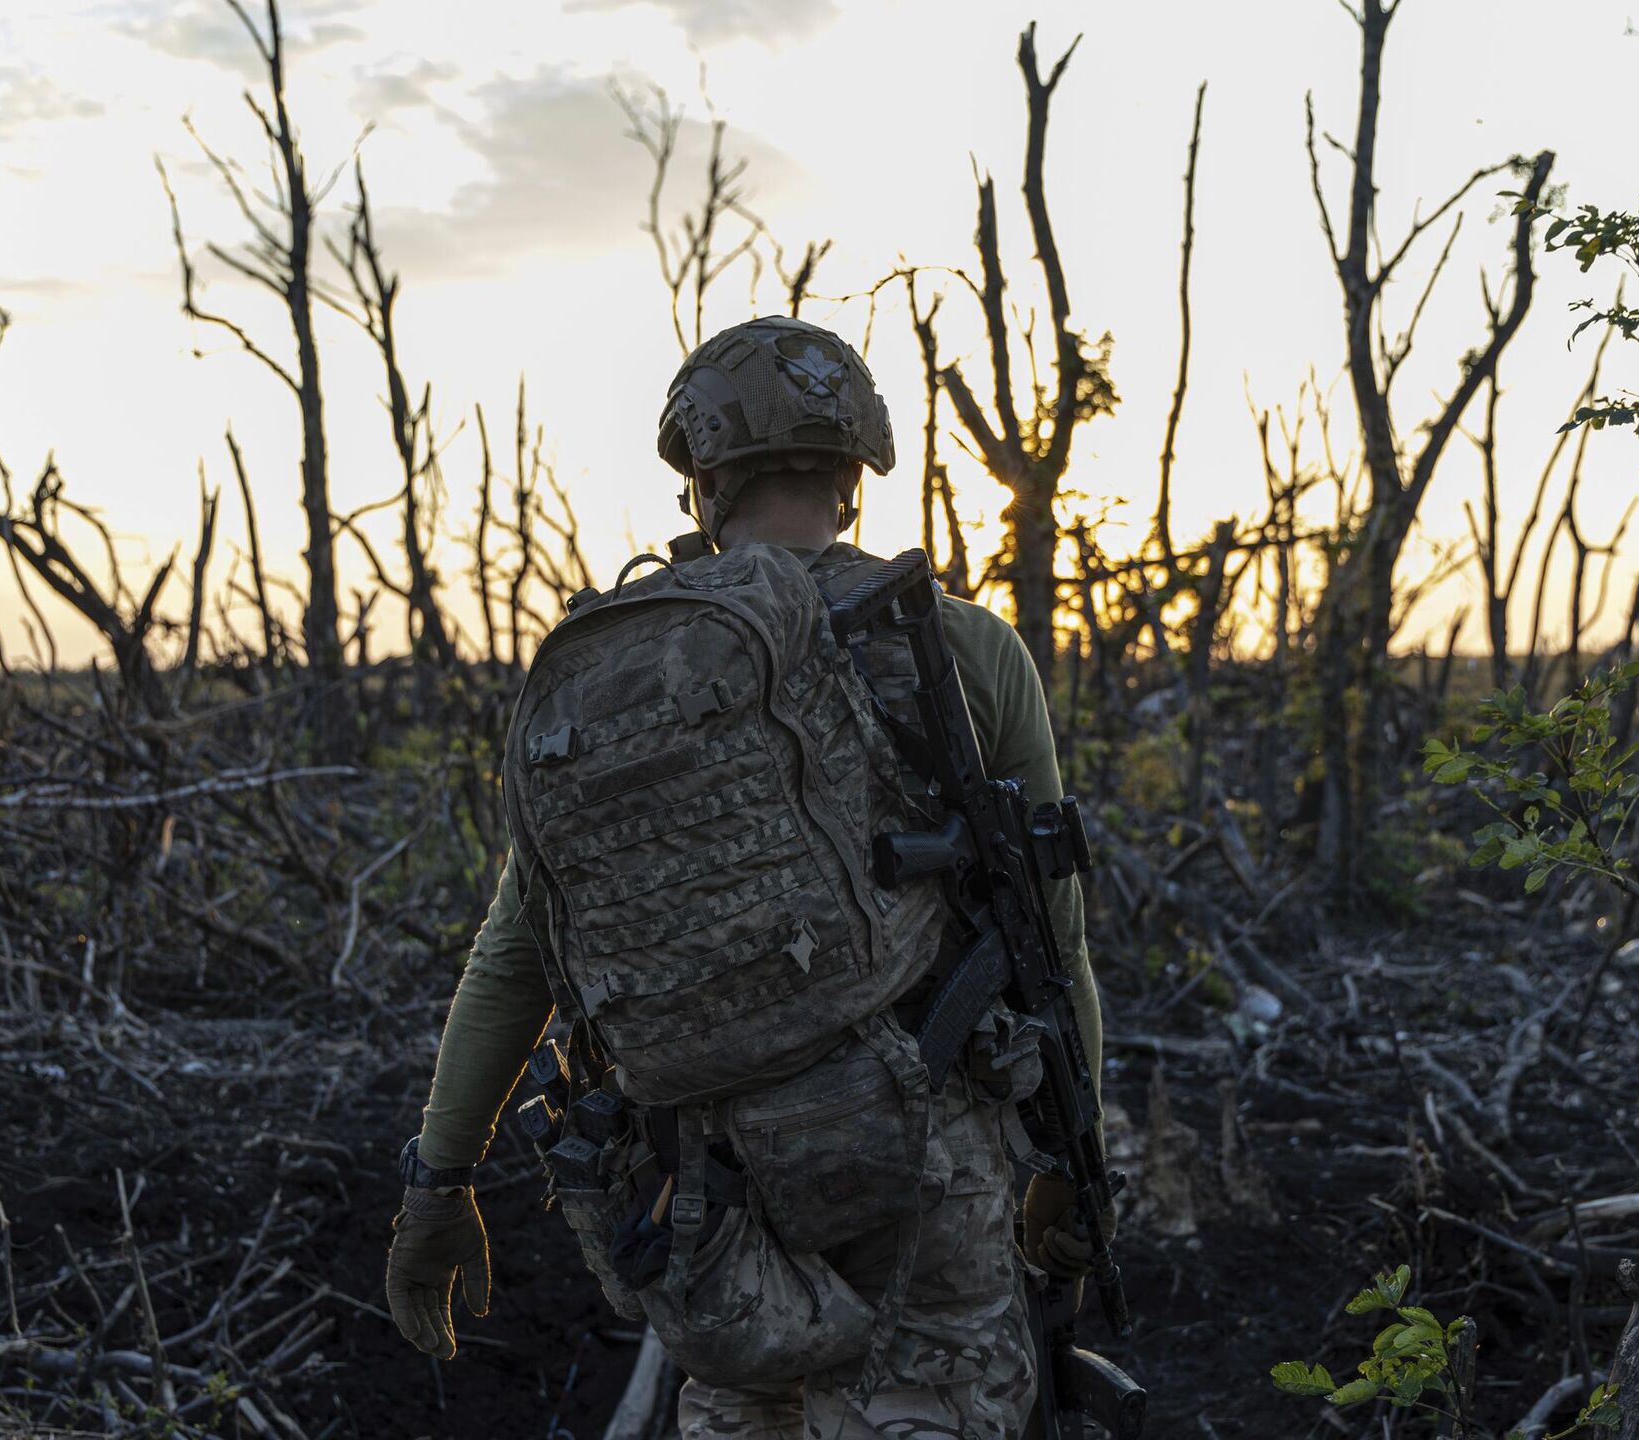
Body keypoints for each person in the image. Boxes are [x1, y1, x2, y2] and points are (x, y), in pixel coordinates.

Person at [383, 315, 1103, 1440]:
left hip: (703, 1174)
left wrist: (439, 1183)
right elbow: (1051, 936)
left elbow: (518, 954)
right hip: (919, 1154)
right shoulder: (960, 647)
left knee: (742, 1411)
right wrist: (1070, 1154)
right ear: (855, 475)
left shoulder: (619, 680)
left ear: (701, 480)